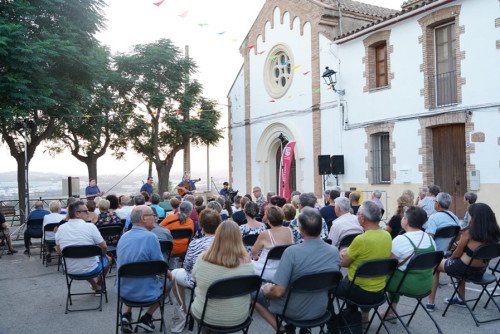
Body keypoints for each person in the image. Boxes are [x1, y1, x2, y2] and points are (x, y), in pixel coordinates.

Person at [255, 208, 341, 332]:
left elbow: (278, 292)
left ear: (300, 230)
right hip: (321, 307)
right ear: (321, 228)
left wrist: (267, 290)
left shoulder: (292, 252)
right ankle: (305, 329)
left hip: (293, 309)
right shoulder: (333, 251)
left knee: (254, 295)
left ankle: (282, 330)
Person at [427, 203, 500, 311]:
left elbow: (456, 254)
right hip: (480, 271)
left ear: (474, 216)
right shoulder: (494, 233)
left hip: (464, 269)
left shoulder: (469, 232)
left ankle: (430, 303)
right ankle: (460, 299)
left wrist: (449, 259)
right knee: (460, 263)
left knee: (435, 265)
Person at [190, 220, 254, 328]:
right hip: (238, 317)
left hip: (206, 315)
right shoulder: (247, 262)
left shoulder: (202, 258)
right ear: (238, 238)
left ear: (217, 235)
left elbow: (196, 280)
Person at [116, 205, 169, 333]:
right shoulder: (151, 237)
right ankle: (147, 317)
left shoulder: (123, 237)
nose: (156, 218)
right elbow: (161, 268)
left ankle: (126, 314)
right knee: (169, 283)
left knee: (135, 275)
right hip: (146, 292)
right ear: (143, 218)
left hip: (124, 291)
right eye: (152, 215)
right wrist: (172, 275)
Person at [338, 201, 392, 323]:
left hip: (359, 291)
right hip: (379, 290)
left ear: (363, 218)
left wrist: (343, 253)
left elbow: (344, 263)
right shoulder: (387, 235)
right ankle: (360, 318)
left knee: (332, 286)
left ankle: (339, 321)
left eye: (357, 214)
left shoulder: (361, 240)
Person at [384, 206, 436, 320]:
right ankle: (391, 312)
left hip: (407, 284)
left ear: (406, 221)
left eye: (403, 217)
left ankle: (366, 314)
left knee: (382, 275)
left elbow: (389, 264)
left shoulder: (401, 239)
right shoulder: (430, 239)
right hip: (426, 284)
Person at [170, 208, 221, 316]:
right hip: (222, 280)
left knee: (174, 274)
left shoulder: (195, 243)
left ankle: (183, 309)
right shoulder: (226, 243)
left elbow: (187, 267)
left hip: (200, 280)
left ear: (201, 225)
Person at [55, 201, 111, 293]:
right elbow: (104, 246)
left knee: (82, 262)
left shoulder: (61, 228)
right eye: (85, 211)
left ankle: (95, 286)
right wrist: (103, 254)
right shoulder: (90, 227)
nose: (88, 213)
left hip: (70, 269)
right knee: (108, 260)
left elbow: (59, 252)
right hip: (91, 268)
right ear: (77, 214)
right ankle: (98, 285)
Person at [251, 206, 293, 281]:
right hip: (285, 270)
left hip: (267, 271)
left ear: (268, 219)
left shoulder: (265, 234)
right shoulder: (289, 230)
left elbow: (254, 252)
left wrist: (257, 259)